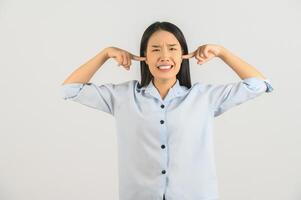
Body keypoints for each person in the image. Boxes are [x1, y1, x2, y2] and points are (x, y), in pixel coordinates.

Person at [60, 21, 274, 200]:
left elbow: (259, 85)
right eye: (155, 49)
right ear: (143, 56)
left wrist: (221, 52)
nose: (164, 56)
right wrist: (105, 54)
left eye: (172, 48)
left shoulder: (203, 98)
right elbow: (70, 90)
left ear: (183, 55)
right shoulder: (123, 97)